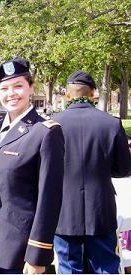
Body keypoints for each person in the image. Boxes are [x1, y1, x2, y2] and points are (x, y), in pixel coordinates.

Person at [0, 57, 64, 274]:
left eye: (18, 86)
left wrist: (38, 254)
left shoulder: (45, 132)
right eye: (4, 88)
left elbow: (49, 198)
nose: (11, 94)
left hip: (22, 247)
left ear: (30, 88)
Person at [52, 70, 131, 274]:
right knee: (105, 267)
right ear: (93, 93)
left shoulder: (53, 123)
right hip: (101, 208)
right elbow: (124, 169)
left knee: (69, 268)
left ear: (67, 95)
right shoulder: (111, 123)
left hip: (64, 210)